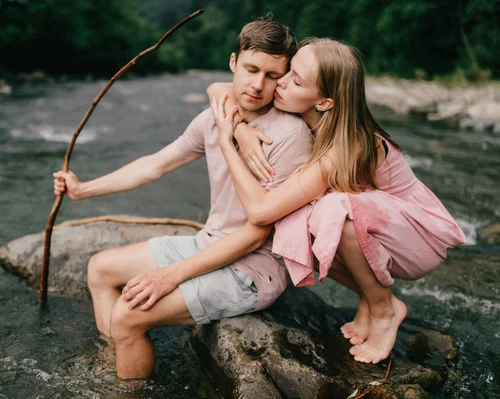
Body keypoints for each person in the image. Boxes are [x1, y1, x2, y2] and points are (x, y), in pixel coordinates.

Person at [52, 16, 313, 379]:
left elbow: (258, 233)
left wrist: (170, 276)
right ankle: (118, 355)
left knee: (128, 317)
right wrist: (83, 189)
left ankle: (126, 380)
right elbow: (155, 164)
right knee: (100, 268)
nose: (257, 85)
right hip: (210, 244)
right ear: (233, 63)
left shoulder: (290, 135)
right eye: (251, 69)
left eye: (272, 76)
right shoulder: (215, 117)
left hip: (253, 270)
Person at [199, 37, 466, 364]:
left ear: (324, 102)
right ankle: (369, 298)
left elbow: (260, 211)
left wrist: (229, 143)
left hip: (417, 238)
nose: (279, 82)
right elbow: (218, 87)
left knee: (333, 209)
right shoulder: (315, 119)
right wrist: (240, 128)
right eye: (288, 71)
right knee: (295, 220)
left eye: (295, 80)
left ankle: (384, 309)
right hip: (381, 228)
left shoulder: (348, 146)